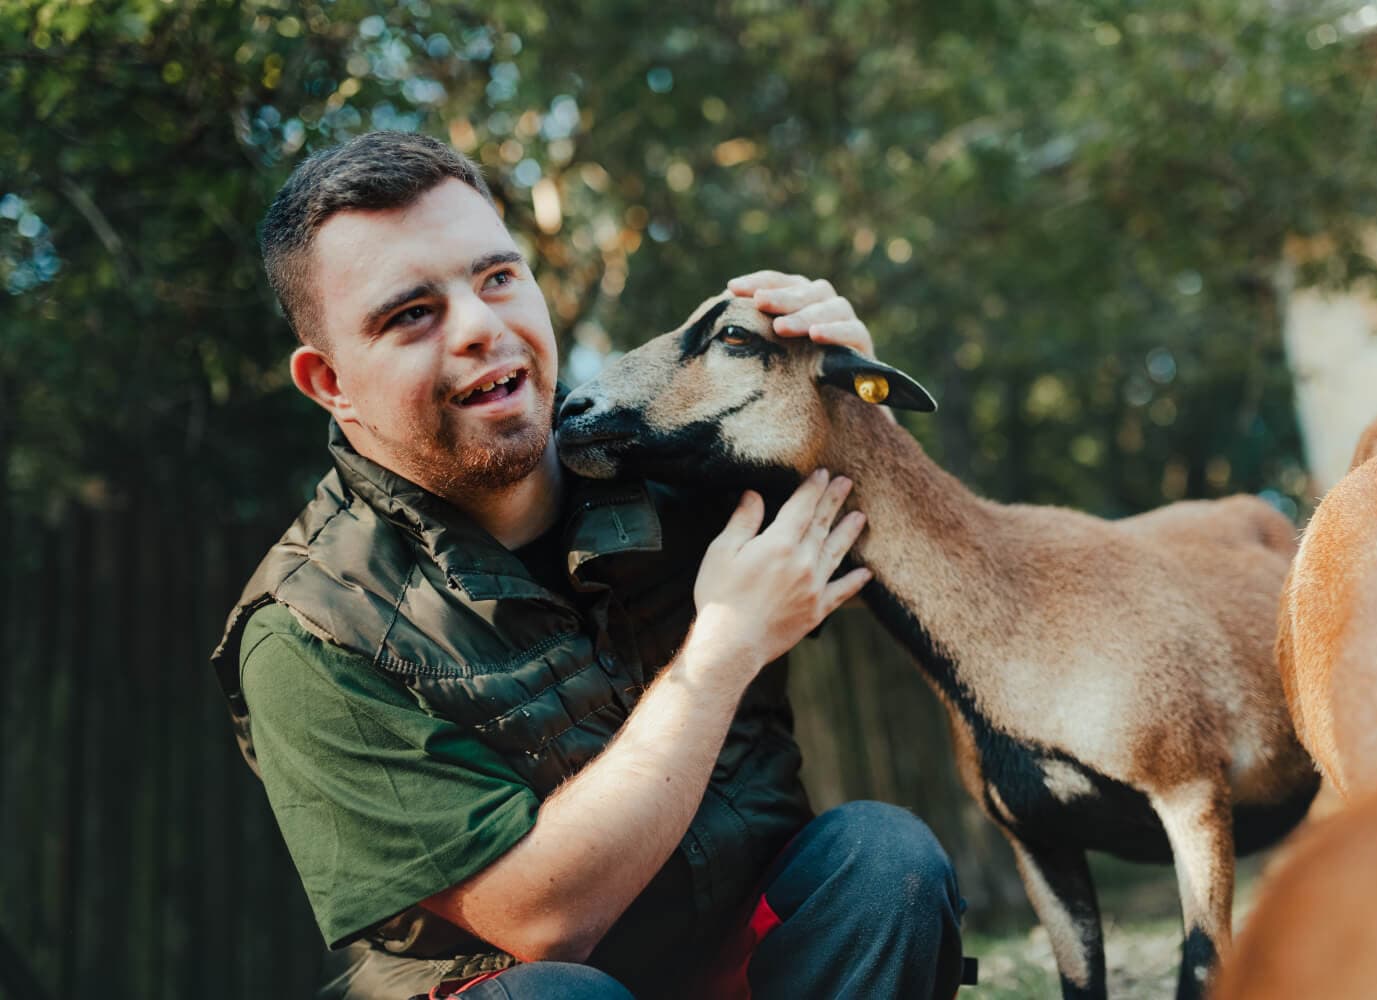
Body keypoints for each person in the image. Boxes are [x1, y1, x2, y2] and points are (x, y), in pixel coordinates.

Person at [210, 130, 964, 1000]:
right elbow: (544, 925)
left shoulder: (672, 463)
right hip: (513, 986)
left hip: (733, 964)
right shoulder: (306, 629)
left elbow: (902, 555)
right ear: (329, 382)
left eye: (497, 278)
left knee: (884, 863)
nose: (482, 328)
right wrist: (726, 646)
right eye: (412, 313)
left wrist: (837, 401)